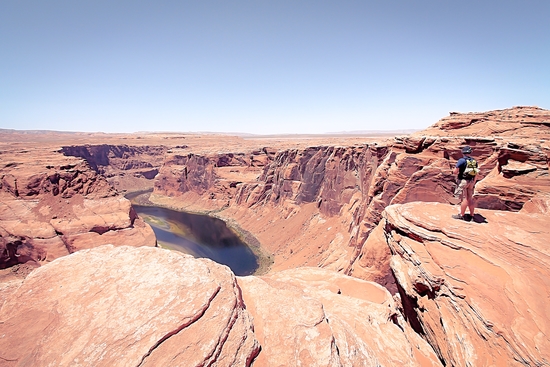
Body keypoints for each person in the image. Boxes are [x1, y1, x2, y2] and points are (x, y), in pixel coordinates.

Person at [452, 145, 478, 220]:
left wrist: (454, 169)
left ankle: (461, 215)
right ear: (470, 153)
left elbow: (455, 172)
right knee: (470, 198)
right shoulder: (474, 161)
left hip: (463, 181)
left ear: (463, 153)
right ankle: (471, 215)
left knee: (464, 199)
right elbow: (476, 173)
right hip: (471, 181)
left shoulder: (461, 160)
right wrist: (473, 182)